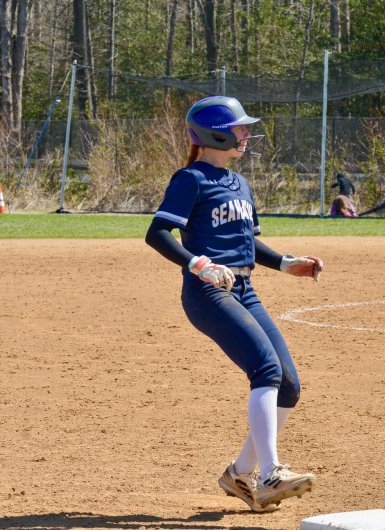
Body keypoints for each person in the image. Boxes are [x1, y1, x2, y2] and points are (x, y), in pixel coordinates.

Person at [144, 95, 323, 512]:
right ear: (214, 133)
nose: (246, 133)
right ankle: (271, 473)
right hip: (208, 293)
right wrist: (197, 264)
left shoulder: (239, 183)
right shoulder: (191, 179)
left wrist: (284, 263)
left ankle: (241, 473)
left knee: (289, 385)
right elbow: (157, 233)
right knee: (264, 368)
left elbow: (246, 243)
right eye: (239, 127)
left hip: (244, 289)